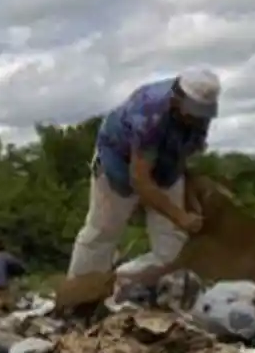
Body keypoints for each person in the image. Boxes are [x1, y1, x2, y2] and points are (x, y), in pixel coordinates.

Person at [65, 68, 221, 293]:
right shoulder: (150, 112)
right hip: (119, 163)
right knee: (102, 232)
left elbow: (191, 150)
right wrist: (181, 216)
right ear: (178, 98)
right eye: (194, 111)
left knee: (172, 249)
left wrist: (191, 189)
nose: (197, 117)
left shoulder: (199, 113)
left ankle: (119, 281)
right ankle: (78, 289)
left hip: (167, 166)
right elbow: (140, 180)